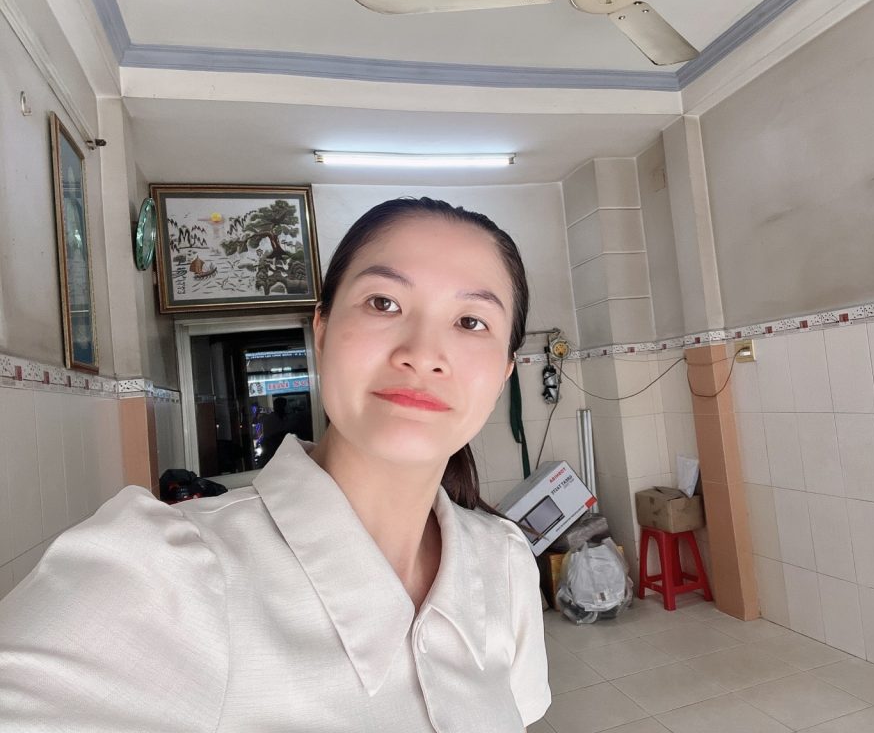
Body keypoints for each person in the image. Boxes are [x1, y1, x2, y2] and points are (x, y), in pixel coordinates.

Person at [0, 197, 551, 732]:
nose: (423, 353)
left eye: (471, 321)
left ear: (504, 373)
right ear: (322, 330)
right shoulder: (164, 575)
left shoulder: (504, 562)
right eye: (384, 303)